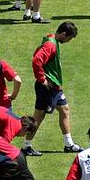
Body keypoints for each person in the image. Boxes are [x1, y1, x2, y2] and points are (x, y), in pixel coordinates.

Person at [22, 22, 83, 156]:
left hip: (54, 87)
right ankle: (26, 146)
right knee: (38, 117)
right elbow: (36, 60)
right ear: (63, 34)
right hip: (47, 87)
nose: (68, 41)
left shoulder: (51, 39)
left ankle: (69, 144)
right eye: (69, 38)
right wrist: (42, 79)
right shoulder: (50, 44)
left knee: (64, 110)